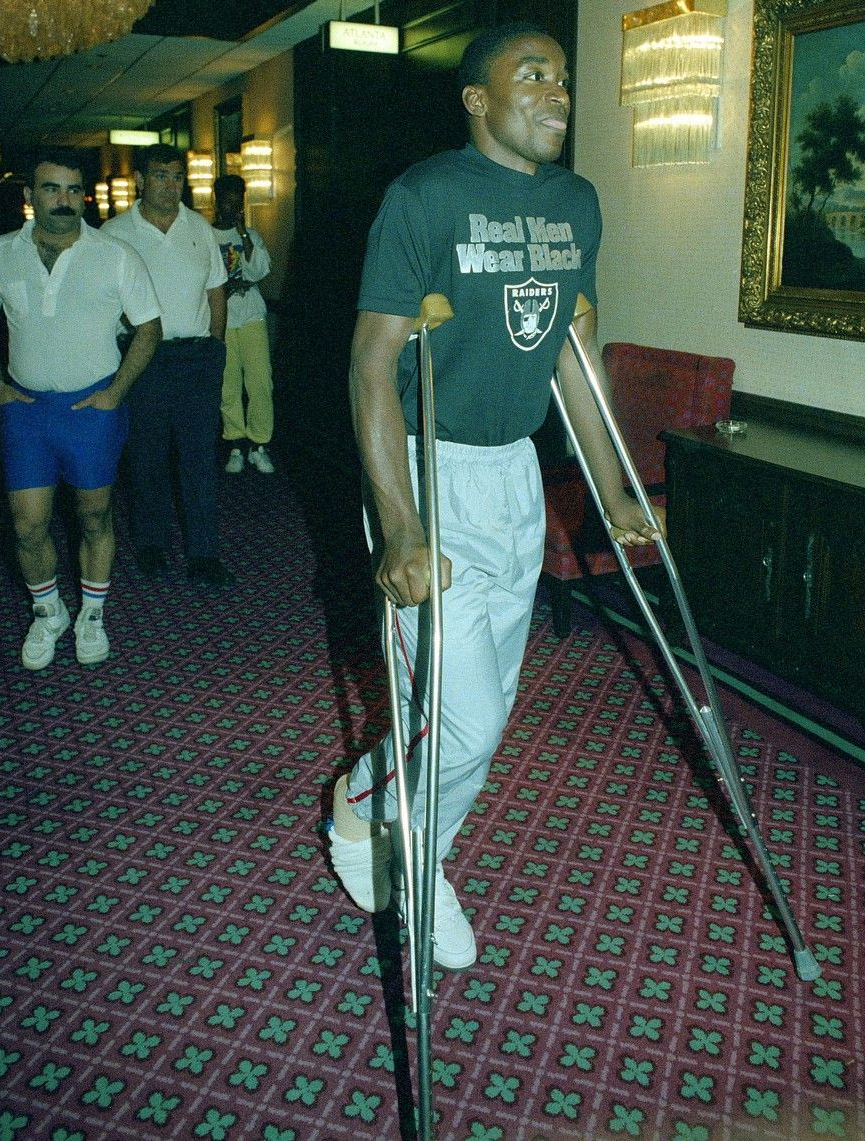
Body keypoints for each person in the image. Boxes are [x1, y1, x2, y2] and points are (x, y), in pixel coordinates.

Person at [330, 23, 660, 970]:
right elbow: (371, 364)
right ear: (477, 98)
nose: (558, 93)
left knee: (483, 708)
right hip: (426, 471)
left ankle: (377, 807)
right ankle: (400, 843)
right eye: (534, 75)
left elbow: (573, 352)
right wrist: (399, 526)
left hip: (513, 471)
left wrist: (610, 489)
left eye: (564, 77)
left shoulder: (576, 204)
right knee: (463, 718)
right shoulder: (424, 196)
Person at [0, 147, 161, 670]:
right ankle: (48, 613)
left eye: (72, 190)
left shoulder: (115, 255)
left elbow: (150, 328)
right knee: (27, 526)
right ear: (29, 195)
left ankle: (92, 614)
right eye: (51, 188)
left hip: (92, 409)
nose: (63, 200)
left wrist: (116, 393)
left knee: (94, 515)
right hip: (25, 411)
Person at [102, 144, 231, 587]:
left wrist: (216, 346)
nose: (170, 185)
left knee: (200, 457)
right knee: (147, 456)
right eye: (160, 176)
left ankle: (204, 555)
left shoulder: (200, 228)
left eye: (177, 177)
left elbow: (216, 290)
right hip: (145, 359)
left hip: (196, 359)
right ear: (140, 180)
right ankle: (152, 545)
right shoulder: (115, 233)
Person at [212, 174, 276, 476]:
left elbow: (260, 269)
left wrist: (243, 234)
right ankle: (235, 445)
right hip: (222, 318)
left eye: (238, 201)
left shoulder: (251, 235)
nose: (233, 207)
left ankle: (259, 445)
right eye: (228, 201)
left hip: (251, 316)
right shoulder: (206, 235)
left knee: (260, 382)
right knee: (228, 385)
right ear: (218, 201)